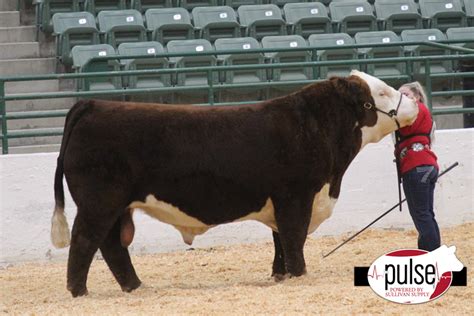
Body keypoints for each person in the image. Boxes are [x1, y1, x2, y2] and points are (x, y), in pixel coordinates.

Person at [395, 82, 440, 252]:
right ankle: (428, 253)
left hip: (416, 165)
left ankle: (433, 256)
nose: (402, 98)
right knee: (426, 214)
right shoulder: (423, 112)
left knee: (422, 215)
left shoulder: (416, 109)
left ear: (417, 97)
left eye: (405, 94)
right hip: (425, 165)